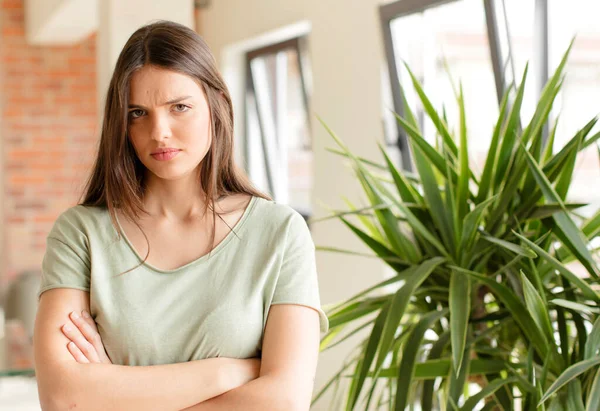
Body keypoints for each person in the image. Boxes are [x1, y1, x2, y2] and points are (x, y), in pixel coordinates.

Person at [32, 20, 328, 411]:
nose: (160, 132)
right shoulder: (81, 233)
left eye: (180, 108)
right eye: (138, 113)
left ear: (216, 104)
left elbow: (284, 401)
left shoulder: (280, 233)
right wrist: (226, 372)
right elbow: (63, 398)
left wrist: (112, 394)